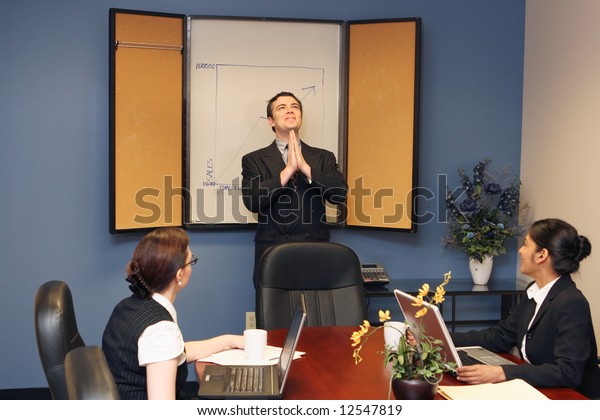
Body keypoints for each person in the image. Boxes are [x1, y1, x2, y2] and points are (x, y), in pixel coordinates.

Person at [451, 218, 600, 399]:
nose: (520, 250)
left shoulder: (571, 303)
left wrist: (501, 373)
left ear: (541, 255)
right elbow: (499, 337)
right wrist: (442, 338)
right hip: (537, 390)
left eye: (526, 245)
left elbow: (567, 372)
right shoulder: (533, 290)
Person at [102, 227, 244, 400]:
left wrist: (229, 340)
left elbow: (174, 353)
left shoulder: (127, 306)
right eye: (191, 261)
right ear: (179, 275)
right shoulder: (160, 330)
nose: (192, 266)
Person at [241, 91, 348, 285]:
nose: (290, 110)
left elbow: (340, 194)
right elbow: (252, 201)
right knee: (273, 314)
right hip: (272, 251)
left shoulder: (323, 157)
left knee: (317, 312)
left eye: (295, 107)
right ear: (271, 121)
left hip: (315, 250)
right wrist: (288, 170)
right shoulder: (253, 160)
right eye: (282, 108)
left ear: (301, 117)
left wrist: (307, 169)